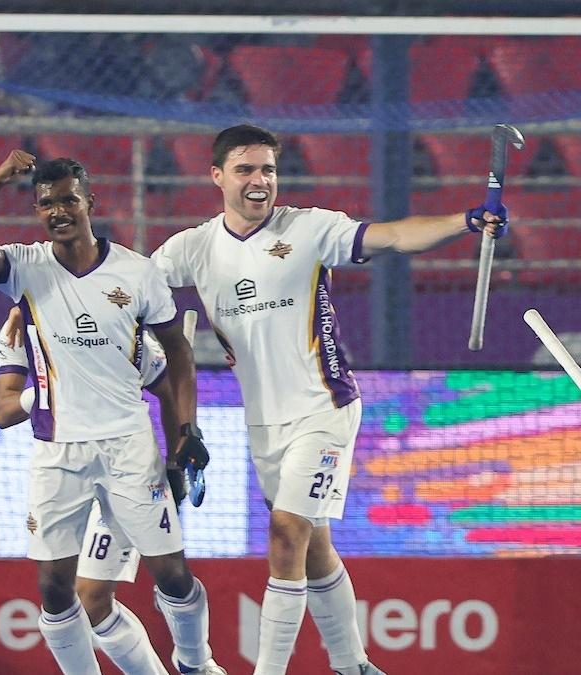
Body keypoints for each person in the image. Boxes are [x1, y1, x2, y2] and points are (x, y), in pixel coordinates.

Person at [151, 124, 508, 675]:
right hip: (263, 422)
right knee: (313, 543)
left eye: (268, 169)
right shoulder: (191, 248)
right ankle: (353, 665)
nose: (259, 180)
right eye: (245, 169)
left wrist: (465, 221)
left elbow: (392, 236)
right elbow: (120, 285)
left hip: (325, 408)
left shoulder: (312, 229)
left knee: (286, 532)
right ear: (217, 176)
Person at [0, 151, 225, 675]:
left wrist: (184, 433)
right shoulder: (24, 269)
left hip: (127, 447)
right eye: (46, 203)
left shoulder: (136, 273)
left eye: (68, 199)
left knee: (172, 573)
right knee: (54, 590)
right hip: (58, 452)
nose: (58, 211)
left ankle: (195, 662)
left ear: (89, 202)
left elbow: (178, 355)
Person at [0, 308, 187, 673]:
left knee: (94, 596)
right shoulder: (19, 328)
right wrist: (54, 391)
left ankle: (196, 658)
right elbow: (2, 411)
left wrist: (176, 464)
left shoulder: (111, 323)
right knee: (75, 599)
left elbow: (168, 389)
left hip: (122, 468)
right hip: (65, 468)